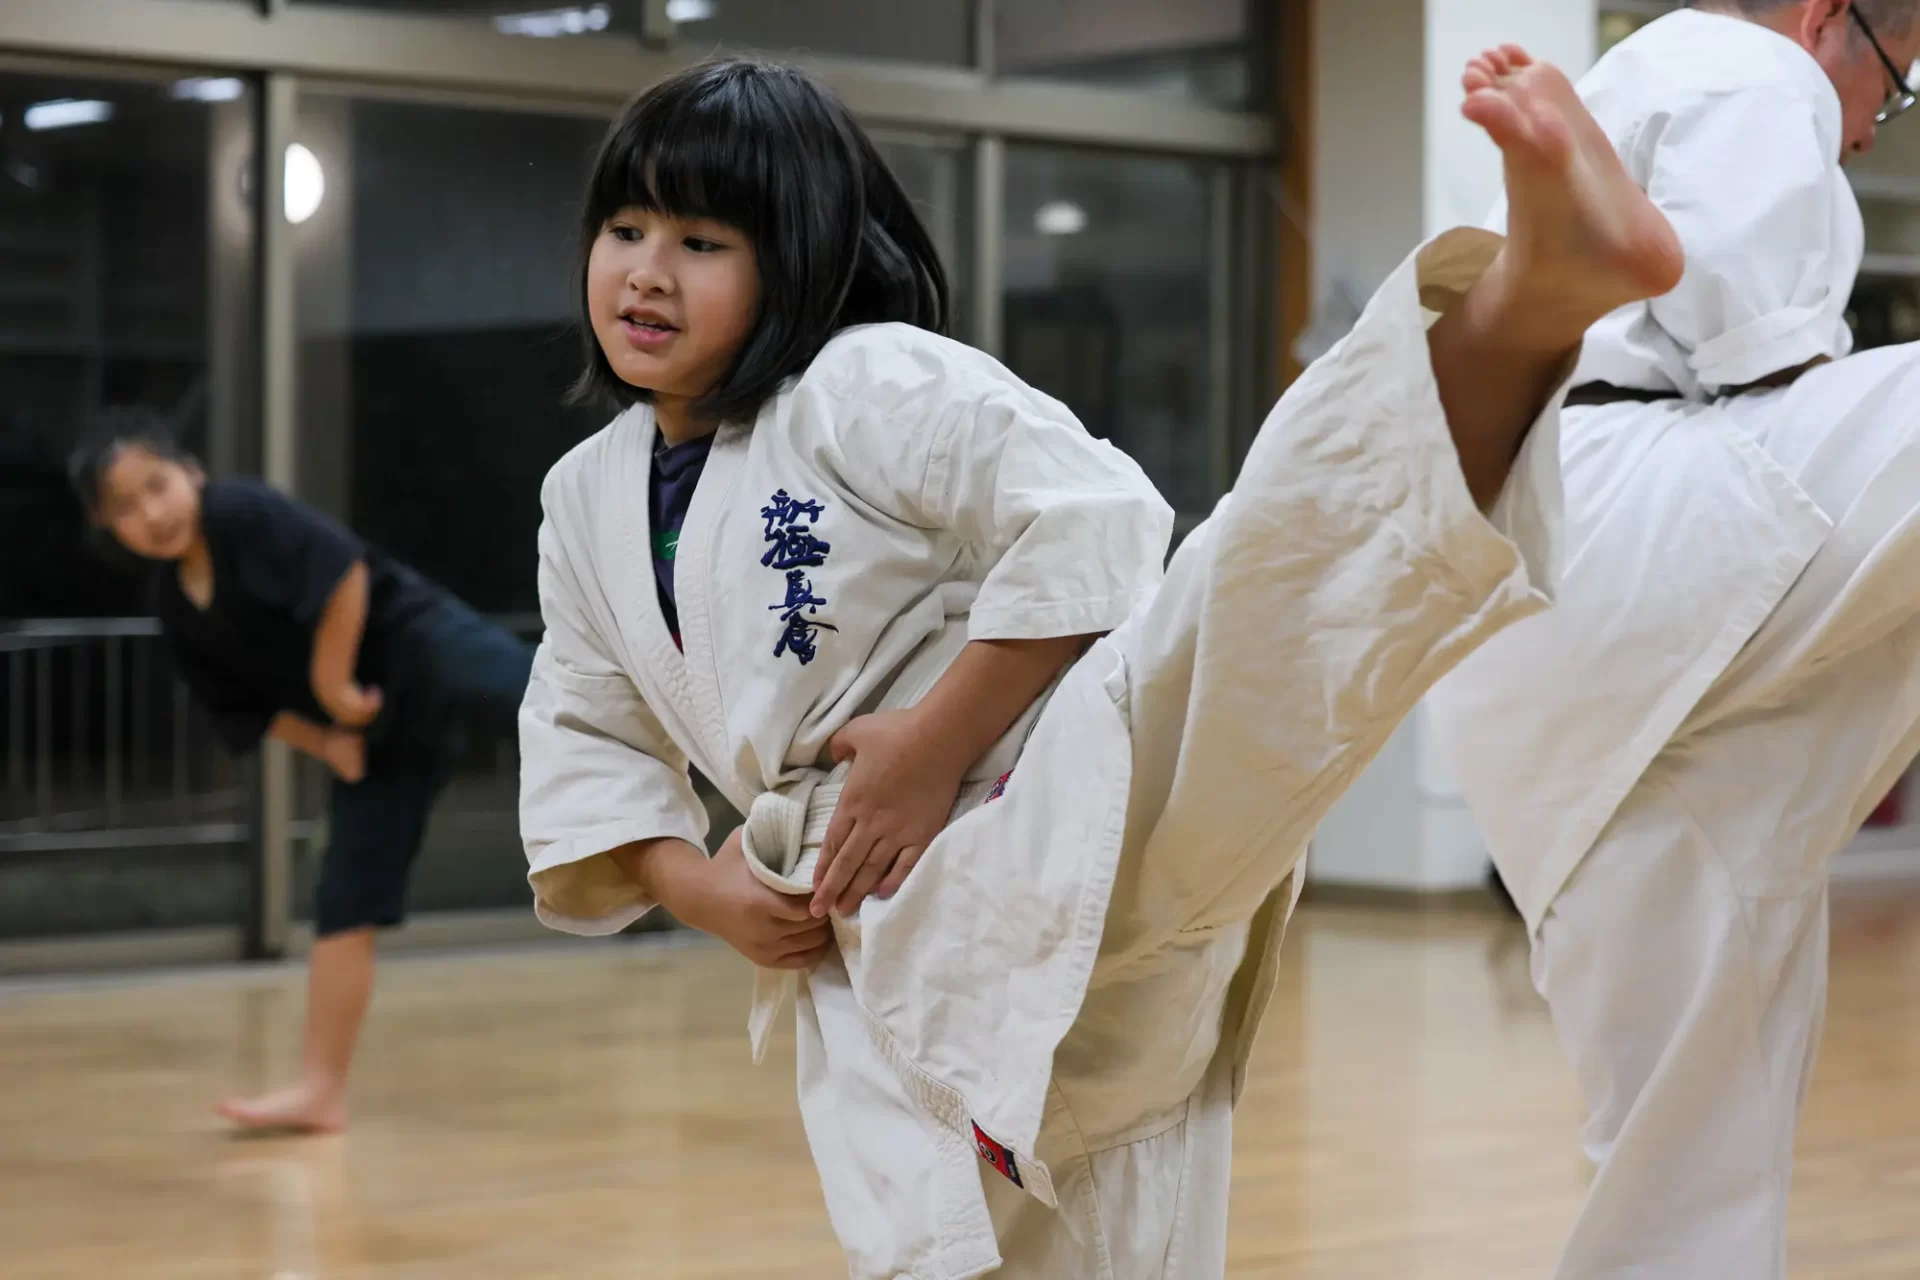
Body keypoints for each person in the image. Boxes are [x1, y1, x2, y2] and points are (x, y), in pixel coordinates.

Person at [519, 51, 1680, 1277]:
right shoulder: (586, 495)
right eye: (626, 228)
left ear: (795, 261)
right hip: (887, 928)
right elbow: (584, 723)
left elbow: (1097, 510)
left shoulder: (864, 380)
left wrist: (935, 743)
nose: (647, 270)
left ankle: (1530, 299)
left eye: (702, 242)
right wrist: (695, 888)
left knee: (1265, 593)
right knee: (972, 1241)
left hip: (1047, 787)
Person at [1425, 3, 1920, 1277]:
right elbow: (1752, 348)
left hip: (1540, 634)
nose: (1872, 130)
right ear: (1825, 16)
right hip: (1654, 503)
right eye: (1894, 86)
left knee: (1690, 1142)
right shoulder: (1745, 60)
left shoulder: (1649, 74)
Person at [70, 408, 534, 1134]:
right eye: (126, 508)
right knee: (345, 897)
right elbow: (244, 710)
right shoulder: (172, 605)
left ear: (191, 472)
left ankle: (678, 749)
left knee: (540, 700)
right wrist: (326, 741)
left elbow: (343, 571)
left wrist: (330, 683)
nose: (152, 514)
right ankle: (320, 1090)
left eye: (157, 486)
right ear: (107, 527)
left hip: (414, 643)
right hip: (366, 731)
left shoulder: (241, 510)